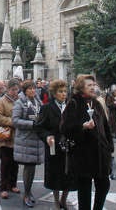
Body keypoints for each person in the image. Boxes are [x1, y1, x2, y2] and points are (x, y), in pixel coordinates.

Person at [61, 74, 113, 210]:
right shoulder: (74, 103)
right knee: (84, 190)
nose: (93, 87)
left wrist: (109, 147)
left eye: (93, 85)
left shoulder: (96, 103)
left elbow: (106, 127)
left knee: (104, 185)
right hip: (83, 155)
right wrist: (82, 126)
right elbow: (64, 128)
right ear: (81, 87)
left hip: (101, 154)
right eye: (89, 85)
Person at [35, 78, 75, 209]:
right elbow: (39, 127)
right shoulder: (47, 108)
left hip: (69, 146)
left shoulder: (70, 106)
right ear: (54, 93)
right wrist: (47, 137)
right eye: (60, 91)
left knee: (69, 174)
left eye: (65, 91)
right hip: (54, 146)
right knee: (55, 175)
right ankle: (56, 201)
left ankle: (64, 199)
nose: (64, 94)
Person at [12, 79, 43, 207]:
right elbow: (15, 121)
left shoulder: (38, 101)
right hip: (25, 139)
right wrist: (32, 124)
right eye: (30, 88)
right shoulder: (20, 102)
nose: (32, 90)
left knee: (32, 167)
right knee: (28, 167)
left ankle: (29, 192)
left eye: (34, 88)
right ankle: (26, 194)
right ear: (25, 91)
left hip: (36, 139)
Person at [0, 79, 20, 200]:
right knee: (5, 162)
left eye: (16, 89)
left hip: (18, 135)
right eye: (12, 89)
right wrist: (12, 122)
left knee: (15, 162)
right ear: (8, 90)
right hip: (6, 135)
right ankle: (4, 187)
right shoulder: (2, 101)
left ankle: (13, 184)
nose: (15, 92)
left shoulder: (20, 100)